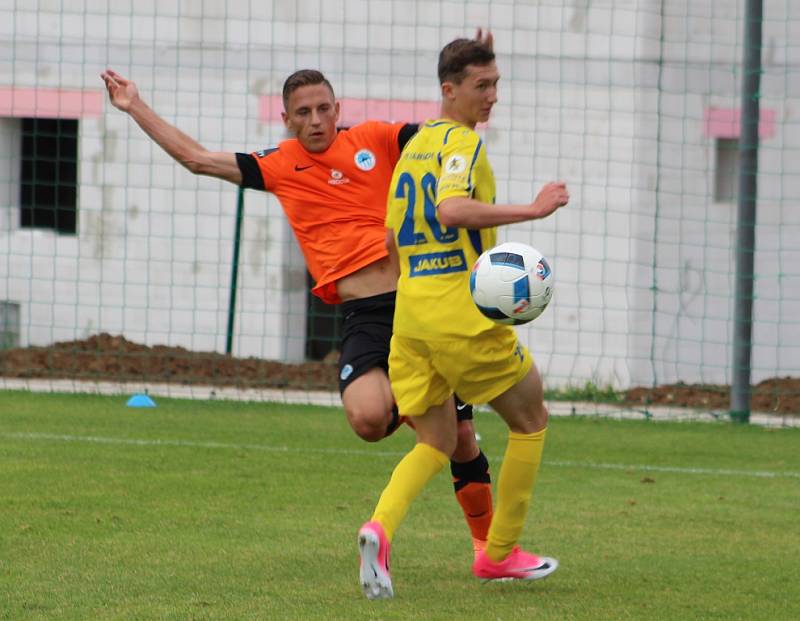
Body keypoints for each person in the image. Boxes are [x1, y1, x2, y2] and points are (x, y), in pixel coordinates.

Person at [100, 56, 494, 557]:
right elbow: (197, 159)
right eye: (302, 112)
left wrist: (469, 82)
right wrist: (135, 107)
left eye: (323, 109)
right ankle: (423, 410)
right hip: (364, 317)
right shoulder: (280, 164)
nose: (314, 120)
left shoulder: (375, 139)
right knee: (368, 421)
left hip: (416, 304)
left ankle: (491, 550)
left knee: (461, 438)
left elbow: (443, 133)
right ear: (287, 119)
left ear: (338, 110)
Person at [356, 35, 570, 600]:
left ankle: (379, 528)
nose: (492, 95)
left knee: (436, 439)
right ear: (448, 91)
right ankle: (500, 555)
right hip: (462, 317)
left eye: (496, 83)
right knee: (531, 417)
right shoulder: (461, 145)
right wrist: (533, 208)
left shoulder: (413, 149)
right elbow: (451, 209)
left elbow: (390, 238)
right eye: (482, 85)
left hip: (412, 318)